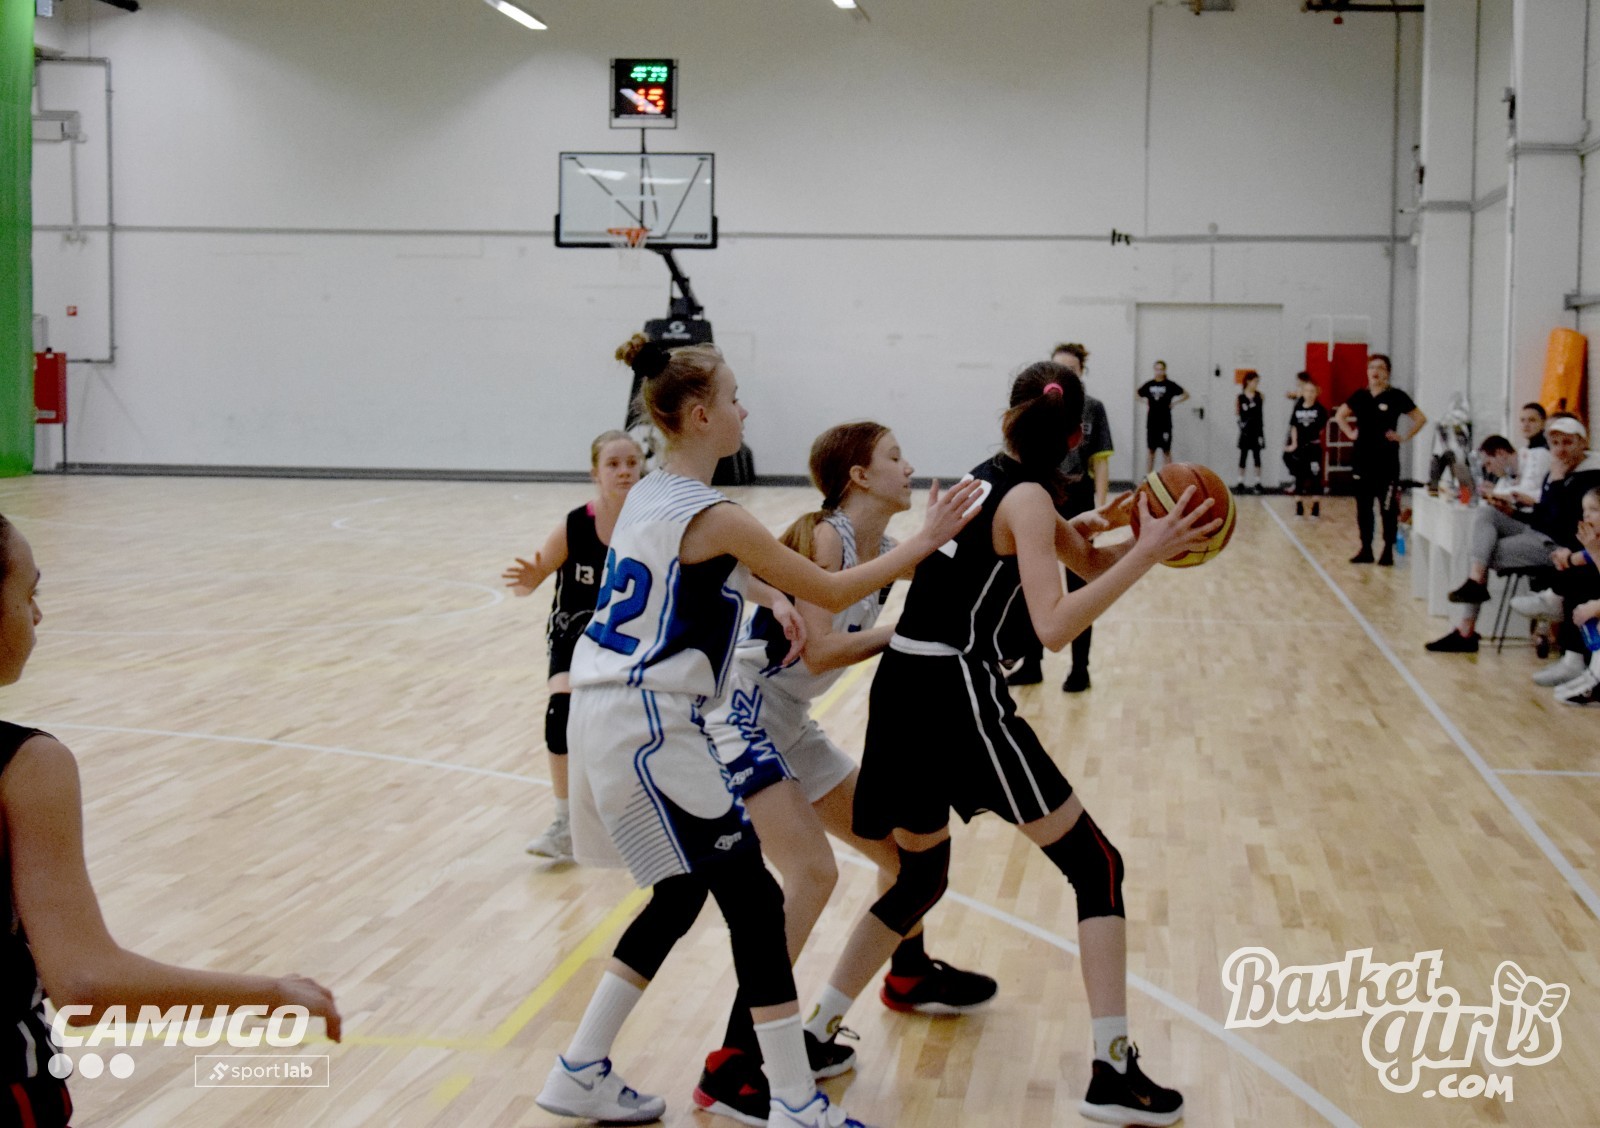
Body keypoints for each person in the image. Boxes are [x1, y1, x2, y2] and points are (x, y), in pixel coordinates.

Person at [536, 335, 981, 1128]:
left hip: (615, 706)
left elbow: (692, 568)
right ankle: (788, 1098)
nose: (746, 410)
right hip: (656, 716)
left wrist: (758, 591)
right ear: (700, 415)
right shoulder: (722, 514)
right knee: (758, 895)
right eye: (734, 398)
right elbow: (829, 590)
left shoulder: (653, 494)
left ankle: (580, 1068)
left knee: (683, 893)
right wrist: (917, 545)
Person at [793, 361, 1218, 1128]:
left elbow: (1083, 561)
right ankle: (1113, 1071)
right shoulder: (1028, 499)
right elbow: (1054, 627)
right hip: (955, 695)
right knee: (1098, 866)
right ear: (1078, 436)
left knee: (920, 876)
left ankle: (816, 1032)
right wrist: (1150, 553)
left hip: (902, 689)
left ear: (1009, 417)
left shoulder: (985, 481)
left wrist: (1128, 530)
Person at [694, 421, 997, 1124]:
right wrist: (908, 637)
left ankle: (909, 972)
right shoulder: (829, 537)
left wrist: (1074, 532)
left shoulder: (882, 548)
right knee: (814, 875)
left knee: (903, 861)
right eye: (895, 456)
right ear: (858, 476)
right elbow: (819, 653)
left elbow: (962, 568)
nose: (909, 466)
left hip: (790, 724)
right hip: (744, 714)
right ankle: (734, 1058)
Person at [0, 515, 341, 1128]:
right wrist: (273, 994)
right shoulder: (26, 766)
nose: (38, 615)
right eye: (29, 594)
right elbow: (84, 985)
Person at [503, 430, 643, 859]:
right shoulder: (575, 525)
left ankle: (632, 814)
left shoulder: (651, 525)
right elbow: (527, 584)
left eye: (632, 463)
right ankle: (565, 823)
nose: (624, 471)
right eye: (613, 464)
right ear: (595, 473)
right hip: (574, 634)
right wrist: (530, 579)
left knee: (626, 729)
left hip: (627, 638)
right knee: (560, 715)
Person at [1428, 414, 1600, 654]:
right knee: (1487, 514)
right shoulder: (1556, 470)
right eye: (1555, 443)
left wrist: (1558, 483)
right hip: (1538, 531)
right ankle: (1475, 582)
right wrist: (1513, 512)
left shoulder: (1589, 476)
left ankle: (1466, 628)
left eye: (1567, 443)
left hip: (1558, 543)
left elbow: (1565, 524)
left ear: (1582, 443)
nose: (1560, 450)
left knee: (1481, 551)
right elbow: (1544, 514)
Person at [1005, 342, 1114, 693]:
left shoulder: (1093, 408)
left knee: (1080, 586)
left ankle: (1080, 668)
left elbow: (1100, 462)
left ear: (1080, 374)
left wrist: (1101, 506)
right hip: (1041, 491)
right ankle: (1031, 662)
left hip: (1078, 497)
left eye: (1071, 369)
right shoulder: (1034, 406)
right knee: (1032, 583)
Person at [1334, 354, 1427, 565]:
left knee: (1388, 508)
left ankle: (1387, 550)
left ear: (1388, 372)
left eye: (1380, 367)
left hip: (1387, 462)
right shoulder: (1360, 396)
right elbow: (1340, 415)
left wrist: (1404, 437)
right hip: (1362, 460)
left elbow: (1420, 419)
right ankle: (1366, 549)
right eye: (1371, 367)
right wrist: (1350, 433)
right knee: (1363, 508)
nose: (1375, 371)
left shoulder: (1396, 396)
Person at [1284, 372, 1328, 517]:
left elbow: (1320, 428)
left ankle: (1315, 506)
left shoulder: (1320, 410)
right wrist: (1294, 443)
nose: (1309, 394)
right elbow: (1294, 426)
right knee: (1299, 477)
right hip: (1300, 448)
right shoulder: (1298, 408)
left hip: (1313, 448)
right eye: (1307, 391)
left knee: (1315, 477)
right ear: (1302, 392)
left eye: (1312, 391)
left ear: (1316, 393)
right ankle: (1299, 506)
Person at [1136, 361, 1189, 474]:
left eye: (1161, 369)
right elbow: (1137, 393)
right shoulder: (1149, 384)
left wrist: (1175, 403)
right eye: (1157, 369)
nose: (1159, 372)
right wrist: (1144, 402)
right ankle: (1149, 476)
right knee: (1151, 450)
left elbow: (1186, 394)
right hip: (1152, 422)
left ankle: (1169, 476)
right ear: (1154, 370)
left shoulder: (1170, 385)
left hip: (1165, 423)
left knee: (1166, 451)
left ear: (1165, 370)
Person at [1235, 371, 1266, 494]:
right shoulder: (1240, 397)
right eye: (1255, 381)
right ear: (1248, 381)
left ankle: (1258, 482)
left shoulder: (1260, 396)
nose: (1256, 384)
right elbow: (1237, 413)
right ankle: (1240, 482)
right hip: (1245, 431)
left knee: (1257, 456)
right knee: (1243, 456)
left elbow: (1260, 415)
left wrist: (1261, 433)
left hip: (1257, 430)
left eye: (1258, 382)